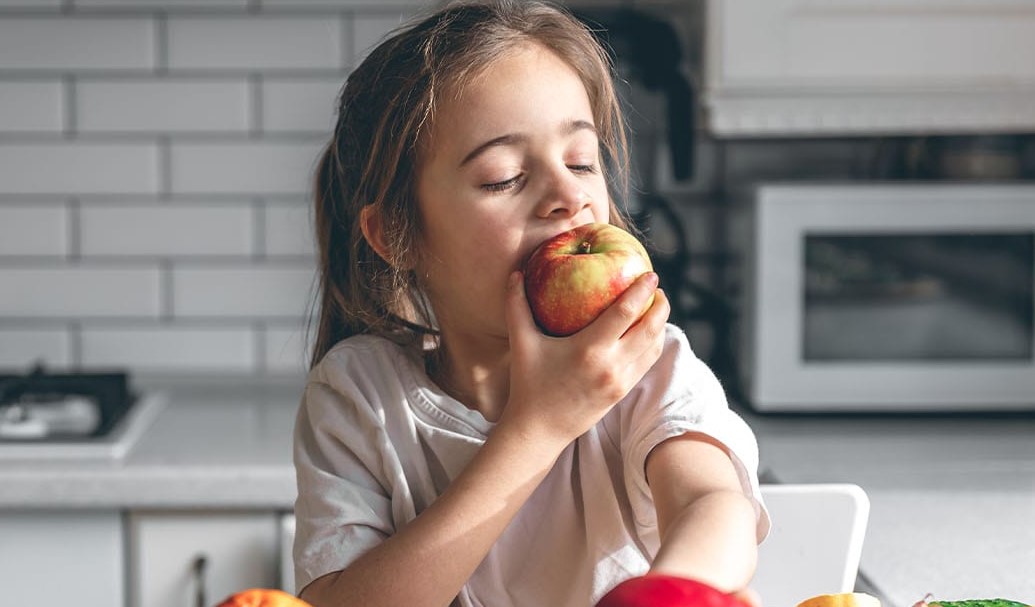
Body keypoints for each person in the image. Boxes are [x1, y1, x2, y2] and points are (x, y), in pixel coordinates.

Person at [292, 1, 770, 606]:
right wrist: (540, 425)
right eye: (503, 178)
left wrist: (673, 593)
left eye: (581, 162)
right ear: (396, 234)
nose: (569, 196)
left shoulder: (645, 369)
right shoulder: (358, 395)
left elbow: (713, 504)